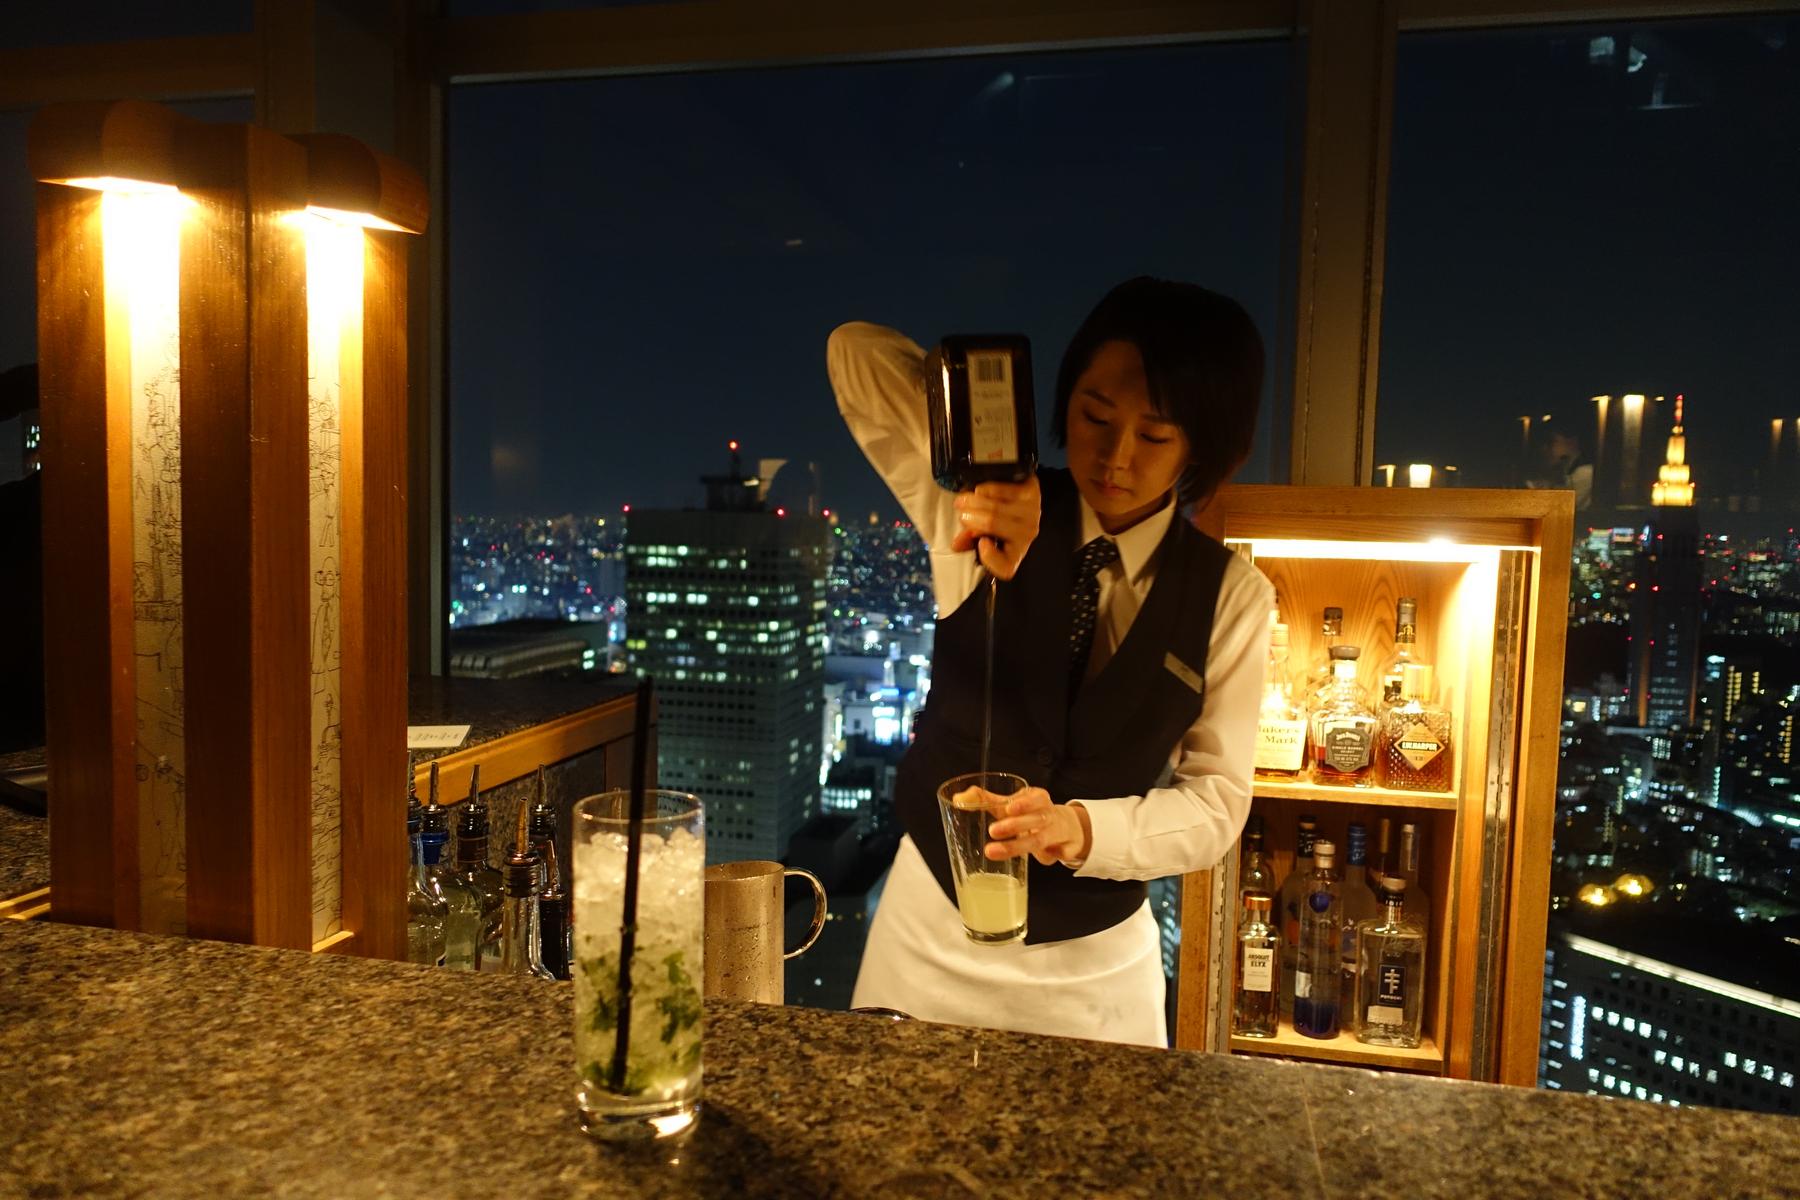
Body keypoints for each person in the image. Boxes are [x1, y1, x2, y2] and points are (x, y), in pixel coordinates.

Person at [826, 277, 1273, 1047]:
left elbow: (1215, 806)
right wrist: (991, 449)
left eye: (1156, 435)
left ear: (1204, 447)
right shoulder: (976, 514)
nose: (1116, 456)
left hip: (1094, 975)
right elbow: (852, 356)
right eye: (1095, 415)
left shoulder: (1232, 596)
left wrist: (1078, 828)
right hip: (925, 940)